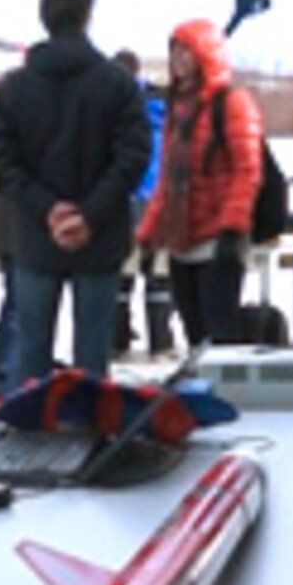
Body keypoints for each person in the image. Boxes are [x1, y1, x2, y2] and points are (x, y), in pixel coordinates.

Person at [0, 0, 150, 381]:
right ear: (88, 14)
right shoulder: (118, 84)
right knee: (93, 357)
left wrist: (48, 209)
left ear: (44, 15)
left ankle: (30, 438)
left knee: (30, 354)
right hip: (100, 235)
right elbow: (132, 157)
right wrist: (89, 213)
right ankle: (94, 438)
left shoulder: (14, 89)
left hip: (36, 236)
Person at [135, 19, 264, 347]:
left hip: (217, 237)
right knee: (194, 333)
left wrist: (233, 230)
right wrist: (149, 234)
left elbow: (246, 169)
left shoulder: (232, 103)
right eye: (174, 52)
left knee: (219, 332)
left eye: (185, 52)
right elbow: (167, 177)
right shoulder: (177, 109)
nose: (178, 60)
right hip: (183, 238)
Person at [112, 47, 173, 355]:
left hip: (128, 199)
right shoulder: (165, 111)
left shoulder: (117, 109)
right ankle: (161, 341)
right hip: (163, 198)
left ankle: (118, 340)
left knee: (124, 273)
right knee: (159, 273)